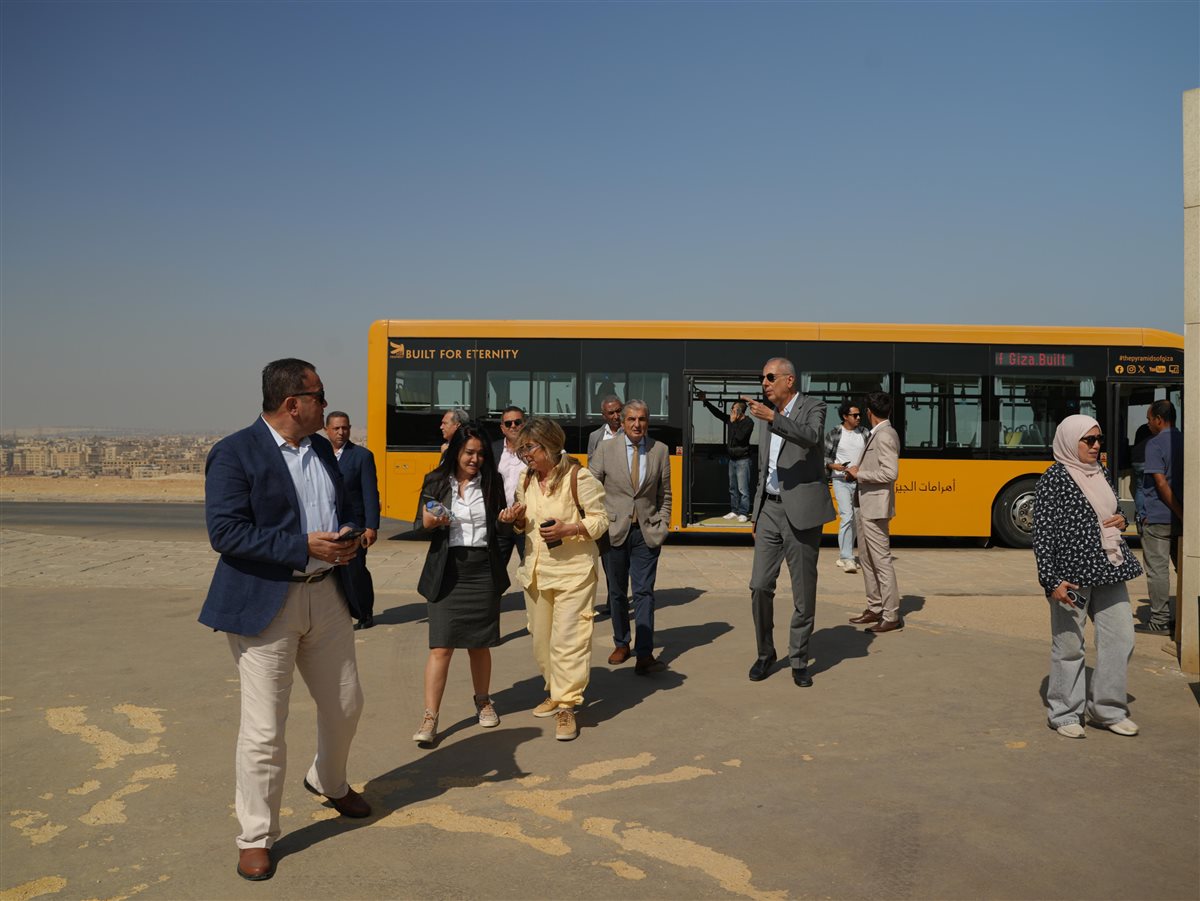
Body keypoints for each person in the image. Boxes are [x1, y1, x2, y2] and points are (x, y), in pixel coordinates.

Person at [200, 358, 370, 882]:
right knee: (264, 729)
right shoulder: (234, 452)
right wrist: (302, 546)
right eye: (320, 395)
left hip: (328, 594)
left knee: (346, 703)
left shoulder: (320, 449)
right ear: (293, 404)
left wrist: (344, 535)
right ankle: (256, 837)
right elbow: (226, 532)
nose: (328, 404)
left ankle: (329, 781)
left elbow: (340, 505)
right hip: (266, 603)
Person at [499, 417, 609, 741]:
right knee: (541, 641)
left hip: (574, 573)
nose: (525, 456)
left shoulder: (579, 477)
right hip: (536, 571)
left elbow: (601, 520)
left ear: (549, 445)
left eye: (529, 448)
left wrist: (569, 529)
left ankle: (566, 706)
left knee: (568, 641)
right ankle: (555, 690)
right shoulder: (526, 479)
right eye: (521, 450)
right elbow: (525, 523)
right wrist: (516, 520)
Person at [1032, 414, 1141, 738]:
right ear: (1070, 441)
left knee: (1121, 638)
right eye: (1088, 440)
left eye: (1098, 440)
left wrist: (1122, 519)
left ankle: (1107, 710)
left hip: (1109, 568)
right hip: (1071, 576)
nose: (1096, 446)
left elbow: (1111, 512)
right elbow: (1043, 534)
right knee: (1069, 645)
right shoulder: (1054, 478)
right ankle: (1064, 713)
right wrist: (1051, 580)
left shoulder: (1100, 472)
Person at [413, 423, 511, 745]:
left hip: (482, 570)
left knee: (479, 644)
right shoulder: (436, 481)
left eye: (481, 454)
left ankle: (483, 701)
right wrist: (430, 522)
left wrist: (509, 521)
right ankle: (430, 716)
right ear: (456, 451)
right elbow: (420, 524)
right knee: (441, 646)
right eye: (469, 452)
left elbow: (501, 528)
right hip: (447, 571)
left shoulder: (493, 481)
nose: (475, 459)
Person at [743, 357, 836, 687]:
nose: (764, 383)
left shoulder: (813, 406)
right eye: (763, 378)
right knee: (759, 585)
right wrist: (756, 514)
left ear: (789, 380)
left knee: (803, 591)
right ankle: (765, 653)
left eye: (770, 377)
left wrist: (774, 418)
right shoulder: (766, 416)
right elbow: (764, 469)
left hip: (802, 511)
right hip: (769, 509)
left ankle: (798, 659)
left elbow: (811, 436)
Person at [589, 400, 672, 675]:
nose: (637, 424)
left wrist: (662, 524)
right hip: (613, 531)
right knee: (616, 592)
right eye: (632, 419)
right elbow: (590, 488)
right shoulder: (605, 449)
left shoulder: (660, 450)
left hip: (646, 533)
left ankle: (644, 654)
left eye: (642, 419)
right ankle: (622, 643)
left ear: (647, 421)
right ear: (622, 423)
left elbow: (665, 494)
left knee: (644, 592)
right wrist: (598, 520)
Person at [845, 393, 902, 632]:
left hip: (876, 507)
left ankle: (891, 614)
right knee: (867, 559)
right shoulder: (879, 433)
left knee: (881, 561)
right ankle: (875, 607)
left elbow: (890, 473)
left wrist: (859, 474)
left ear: (869, 412)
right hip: (866, 504)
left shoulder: (885, 434)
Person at [325, 411, 381, 630]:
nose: (341, 432)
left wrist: (371, 527)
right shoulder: (319, 455)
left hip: (355, 527)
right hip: (328, 526)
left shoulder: (361, 456)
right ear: (327, 430)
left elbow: (370, 493)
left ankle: (364, 612)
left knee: (355, 571)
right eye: (336, 428)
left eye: (345, 428)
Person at [1138, 399, 1183, 633]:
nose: (1147, 424)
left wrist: (1178, 512)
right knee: (1184, 569)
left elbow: (1160, 482)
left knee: (1158, 571)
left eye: (1149, 419)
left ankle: (1159, 620)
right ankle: (1185, 618)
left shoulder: (1154, 444)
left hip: (1159, 517)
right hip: (1183, 521)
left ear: (1158, 419)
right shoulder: (1187, 440)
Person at [586, 393, 623, 615]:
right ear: (604, 415)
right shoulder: (595, 437)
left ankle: (617, 597)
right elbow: (592, 470)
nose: (617, 416)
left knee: (622, 558)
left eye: (619, 411)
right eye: (612, 413)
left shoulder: (632, 432)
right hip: (604, 504)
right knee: (608, 556)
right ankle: (613, 598)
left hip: (624, 504)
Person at [824, 400, 870, 573]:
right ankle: (847, 557)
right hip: (840, 480)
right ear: (845, 416)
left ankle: (846, 555)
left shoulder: (865, 433)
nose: (858, 418)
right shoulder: (835, 433)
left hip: (859, 481)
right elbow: (824, 457)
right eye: (854, 415)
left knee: (856, 519)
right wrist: (833, 466)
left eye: (859, 415)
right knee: (847, 516)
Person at [698, 392, 754, 521]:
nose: (731, 412)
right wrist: (705, 402)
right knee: (732, 488)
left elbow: (740, 437)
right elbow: (717, 413)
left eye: (733, 410)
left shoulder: (748, 422)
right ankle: (734, 510)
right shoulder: (730, 420)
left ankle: (743, 512)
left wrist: (733, 423)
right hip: (732, 460)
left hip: (743, 460)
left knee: (743, 489)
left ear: (740, 411)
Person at [491, 405, 528, 568]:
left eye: (517, 422)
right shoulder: (493, 449)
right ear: (502, 428)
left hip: (527, 522)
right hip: (501, 520)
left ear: (524, 424)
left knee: (530, 570)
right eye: (508, 423)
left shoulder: (534, 449)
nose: (513, 426)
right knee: (495, 569)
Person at [1129, 421, 1152, 532]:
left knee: (1139, 488)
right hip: (1148, 460)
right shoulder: (1153, 431)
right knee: (1151, 488)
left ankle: (1140, 515)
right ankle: (1148, 516)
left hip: (1136, 460)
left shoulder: (1141, 429)